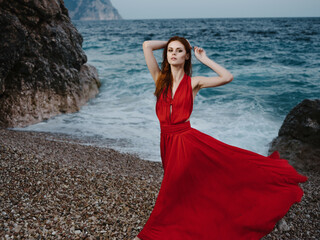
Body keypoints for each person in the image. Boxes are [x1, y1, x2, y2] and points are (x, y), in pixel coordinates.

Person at [133, 36, 308, 240]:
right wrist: (175, 41)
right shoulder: (159, 79)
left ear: (186, 55)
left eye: (179, 50)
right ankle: (192, 222)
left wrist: (204, 58)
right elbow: (147, 45)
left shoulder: (194, 83)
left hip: (186, 143)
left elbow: (227, 77)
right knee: (187, 188)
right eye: (170, 50)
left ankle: (148, 235)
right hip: (167, 142)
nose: (173, 53)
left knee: (170, 191)